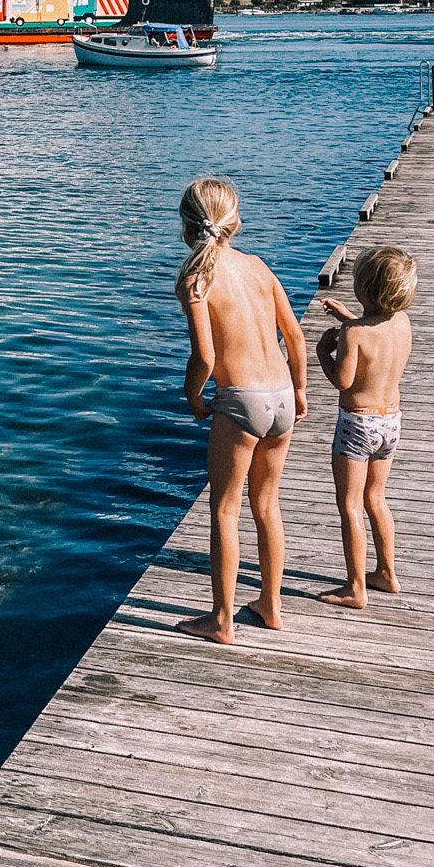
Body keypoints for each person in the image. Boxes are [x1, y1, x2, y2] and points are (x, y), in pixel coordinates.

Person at [173, 176, 309, 645]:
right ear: (235, 222)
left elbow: (205, 358)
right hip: (282, 398)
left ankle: (222, 620)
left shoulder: (196, 278)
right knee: (267, 505)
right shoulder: (257, 265)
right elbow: (294, 336)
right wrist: (301, 390)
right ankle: (270, 606)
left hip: (242, 400)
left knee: (225, 510)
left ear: (188, 227)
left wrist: (193, 397)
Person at [316, 247, 417, 608]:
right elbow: (376, 329)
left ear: (363, 289)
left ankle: (355, 588)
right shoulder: (402, 321)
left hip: (358, 424)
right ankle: (387, 573)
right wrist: (348, 318)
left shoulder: (353, 335)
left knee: (349, 505)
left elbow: (343, 382)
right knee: (376, 499)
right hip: (391, 421)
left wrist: (323, 352)